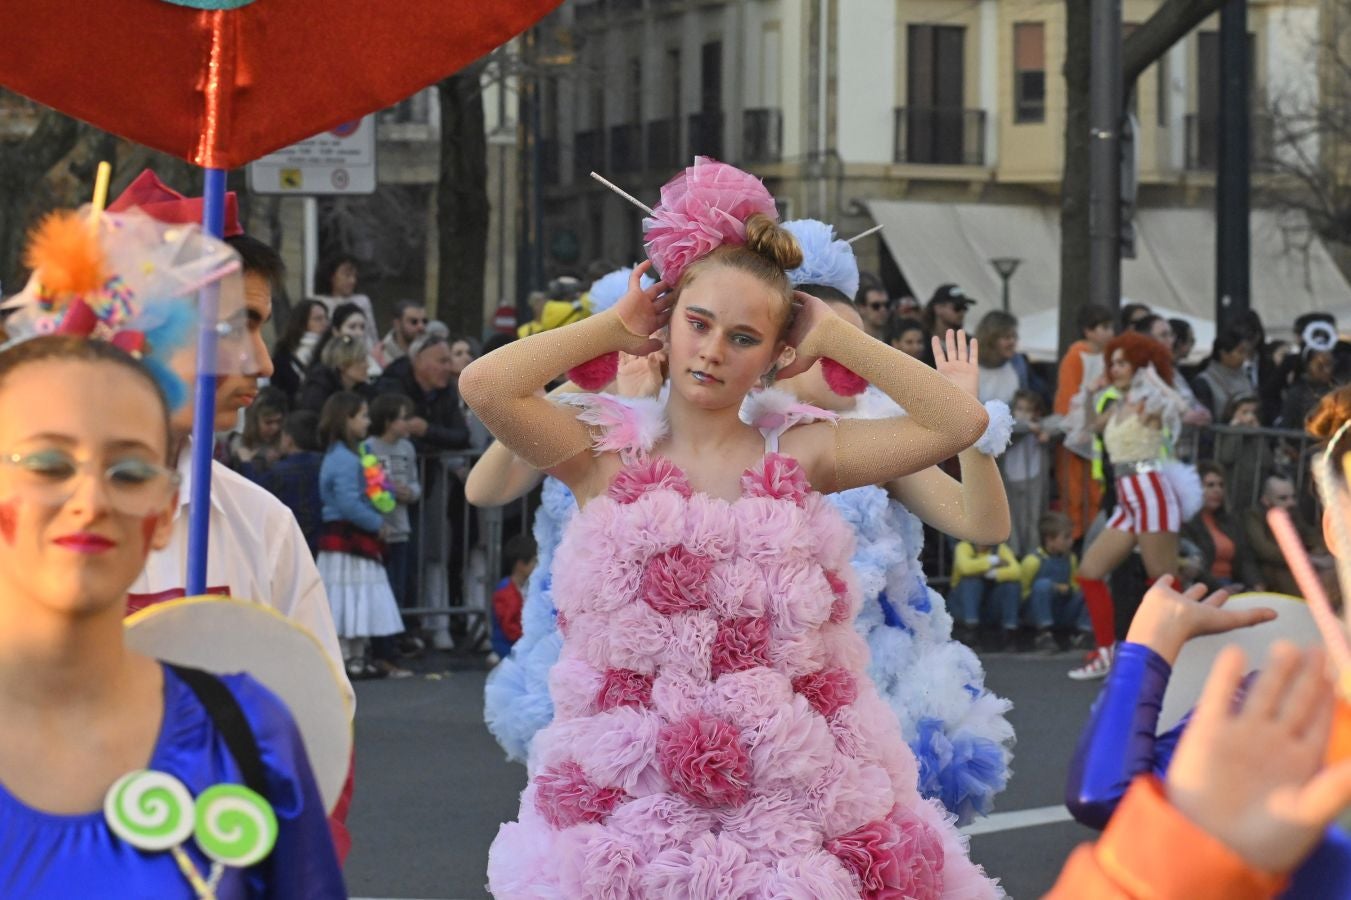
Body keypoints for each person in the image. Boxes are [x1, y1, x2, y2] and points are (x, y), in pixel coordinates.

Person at [468, 159, 997, 895]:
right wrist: (613, 327)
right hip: (631, 800)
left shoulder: (804, 451)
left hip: (792, 796)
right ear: (666, 322)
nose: (713, 351)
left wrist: (835, 337)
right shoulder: (600, 453)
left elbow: (959, 422)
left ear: (779, 355)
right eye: (698, 322)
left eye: (745, 337)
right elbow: (484, 385)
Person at [0, 336, 345, 897]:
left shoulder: (248, 736)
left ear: (164, 512)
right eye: (48, 464)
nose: (90, 501)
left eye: (129, 472)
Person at [1069, 332, 1197, 680]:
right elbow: (1085, 429)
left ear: (1141, 365)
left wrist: (1155, 379)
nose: (1115, 369)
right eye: (1113, 363)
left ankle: (1181, 655)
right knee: (1090, 572)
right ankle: (1106, 653)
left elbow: (1185, 410)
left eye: (1123, 363)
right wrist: (1089, 393)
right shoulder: (1116, 406)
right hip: (1129, 498)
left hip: (1152, 494)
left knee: (1163, 583)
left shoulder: (1150, 404)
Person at [316, 392, 407, 680]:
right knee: (349, 595)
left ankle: (355, 654)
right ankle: (345, 654)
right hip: (347, 536)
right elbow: (347, 502)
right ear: (347, 419)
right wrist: (376, 523)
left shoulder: (350, 455)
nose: (368, 421)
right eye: (363, 416)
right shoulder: (344, 459)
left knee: (355, 596)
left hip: (351, 536)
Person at [1054, 303, 1115, 542]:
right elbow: (1067, 396)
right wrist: (1075, 425)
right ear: (1089, 330)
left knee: (1096, 489)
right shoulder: (1075, 355)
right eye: (1104, 327)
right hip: (1076, 434)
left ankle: (1093, 536)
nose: (1110, 333)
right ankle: (1076, 538)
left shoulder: (1110, 357)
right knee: (1074, 491)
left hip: (1097, 432)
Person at [365, 394, 422, 634]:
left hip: (401, 527)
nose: (409, 423)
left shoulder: (407, 448)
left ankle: (396, 639)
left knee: (398, 586)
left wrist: (410, 492)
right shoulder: (368, 446)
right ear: (388, 421)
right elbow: (367, 484)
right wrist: (389, 490)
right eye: (403, 418)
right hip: (377, 528)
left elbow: (415, 483)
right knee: (379, 587)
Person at [374, 333, 470, 452]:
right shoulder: (393, 385)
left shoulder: (447, 390)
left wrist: (427, 430)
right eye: (442, 361)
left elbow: (462, 436)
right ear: (418, 361)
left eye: (449, 362)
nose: (448, 368)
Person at [247, 410, 325, 554]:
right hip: (320, 541)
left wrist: (247, 464)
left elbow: (252, 494)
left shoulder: (279, 471)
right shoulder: (325, 463)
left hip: (290, 542)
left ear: (289, 440)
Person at [1245, 475, 1335, 598]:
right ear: (1266, 500)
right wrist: (1308, 558)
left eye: (1293, 497)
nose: (1291, 502)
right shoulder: (1254, 516)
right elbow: (1265, 550)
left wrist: (1322, 552)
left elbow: (1311, 536)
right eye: (1283, 498)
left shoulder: (1293, 514)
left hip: (1299, 569)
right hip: (1274, 572)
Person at [1180, 462, 1264, 592]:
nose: (1217, 490)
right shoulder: (1187, 523)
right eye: (1210, 485)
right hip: (1205, 589)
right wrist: (1222, 589)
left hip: (1234, 586)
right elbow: (1196, 567)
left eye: (1221, 485)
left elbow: (1245, 558)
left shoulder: (1230, 521)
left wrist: (1256, 584)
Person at [1021, 512, 1090, 652]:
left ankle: (1083, 635)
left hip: (1062, 609)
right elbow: (1022, 593)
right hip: (1036, 611)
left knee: (1089, 590)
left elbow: (1075, 585)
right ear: (1049, 540)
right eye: (1066, 537)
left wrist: (1069, 589)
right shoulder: (1032, 561)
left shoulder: (1071, 559)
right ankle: (1044, 634)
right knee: (1042, 585)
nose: (1071, 541)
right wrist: (1052, 587)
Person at [949, 538, 1024, 650]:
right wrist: (992, 560)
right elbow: (965, 568)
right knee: (971, 581)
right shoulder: (963, 546)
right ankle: (971, 632)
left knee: (1011, 585)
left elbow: (1017, 571)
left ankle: (1010, 632)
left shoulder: (1000, 548)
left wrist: (992, 573)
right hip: (961, 606)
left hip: (988, 606)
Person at [1005, 389, 1051, 555]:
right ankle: (1013, 556)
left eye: (1028, 410)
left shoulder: (1040, 426)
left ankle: (1033, 556)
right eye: (1020, 409)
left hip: (1033, 478)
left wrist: (1044, 431)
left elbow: (1060, 422)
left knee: (1033, 519)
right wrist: (1029, 427)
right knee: (1012, 519)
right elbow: (1014, 428)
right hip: (1011, 479)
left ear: (1036, 412)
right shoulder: (1007, 425)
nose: (1023, 414)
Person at [298, 333, 376, 415]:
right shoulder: (318, 392)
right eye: (361, 360)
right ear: (342, 365)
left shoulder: (364, 391)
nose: (368, 365)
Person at [313, 252, 377, 353]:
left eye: (354, 276)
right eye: (347, 275)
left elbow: (371, 336)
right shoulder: (318, 304)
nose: (352, 281)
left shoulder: (362, 301)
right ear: (331, 276)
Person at [269, 298, 329, 402]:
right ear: (302, 322)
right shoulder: (284, 355)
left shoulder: (331, 349)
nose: (325, 323)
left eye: (326, 318)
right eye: (318, 319)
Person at [490, 533, 538, 661]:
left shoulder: (526, 587)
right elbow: (509, 627)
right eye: (534, 561)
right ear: (521, 564)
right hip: (508, 647)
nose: (536, 566)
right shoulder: (505, 591)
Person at [1195, 326, 1257, 423]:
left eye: (1246, 352)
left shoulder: (1245, 376)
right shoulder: (1204, 382)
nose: (1244, 357)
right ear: (1223, 353)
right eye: (1240, 352)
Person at [227, 385, 286, 470]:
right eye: (268, 422)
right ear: (254, 421)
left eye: (279, 421)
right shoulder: (238, 446)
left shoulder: (286, 446)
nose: (275, 427)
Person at [1280, 347, 1336, 430]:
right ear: (1307, 366)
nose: (1327, 370)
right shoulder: (1297, 393)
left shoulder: (1337, 391)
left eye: (1330, 364)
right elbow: (1287, 427)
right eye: (1320, 366)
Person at [920, 283, 975, 365]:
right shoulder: (919, 344)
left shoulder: (971, 343)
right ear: (938, 308)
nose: (962, 312)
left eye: (965, 307)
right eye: (957, 307)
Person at [376, 299, 428, 368]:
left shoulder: (432, 353)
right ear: (397, 324)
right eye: (414, 322)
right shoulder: (377, 358)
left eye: (424, 321)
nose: (421, 327)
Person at [854, 275, 891, 342]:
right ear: (861, 308)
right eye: (876, 306)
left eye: (886, 305)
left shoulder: (893, 339)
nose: (883, 310)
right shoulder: (854, 340)